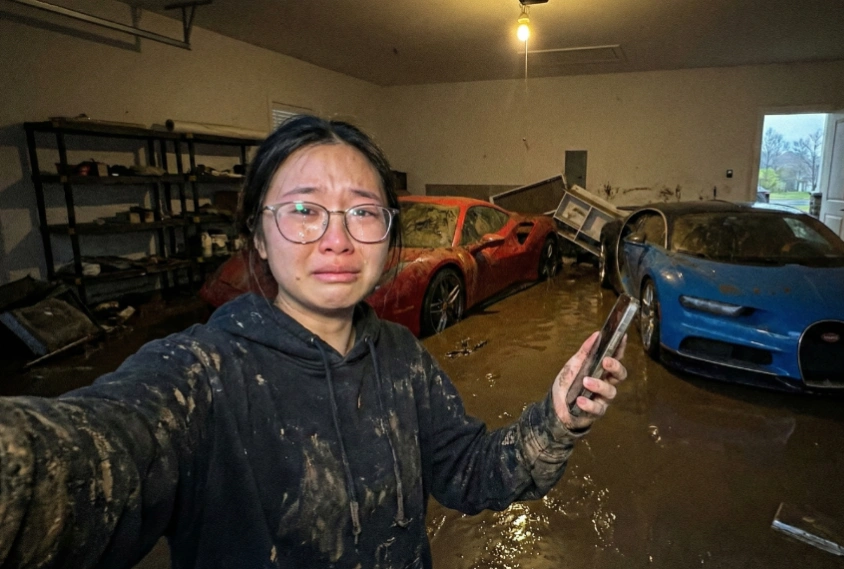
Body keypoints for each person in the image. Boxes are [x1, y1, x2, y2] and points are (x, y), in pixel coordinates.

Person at [0, 116, 627, 568]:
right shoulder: (199, 375)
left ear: (386, 236)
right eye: (304, 210)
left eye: (362, 211)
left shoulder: (402, 358)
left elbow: (472, 474)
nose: (337, 239)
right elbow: (78, 465)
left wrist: (557, 420)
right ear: (258, 233)